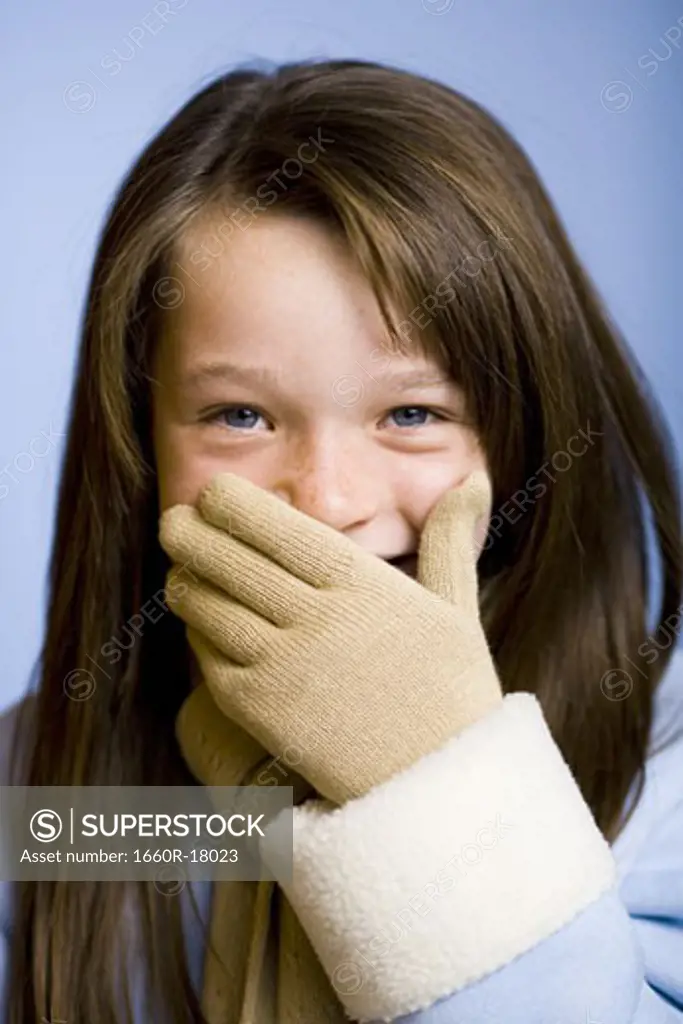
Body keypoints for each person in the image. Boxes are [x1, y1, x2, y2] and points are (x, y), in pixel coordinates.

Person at [1, 57, 682, 1023]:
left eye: (410, 413)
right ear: (138, 446)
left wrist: (426, 775)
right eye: (238, 416)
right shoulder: (55, 786)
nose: (324, 503)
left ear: (528, 428)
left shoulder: (665, 758)